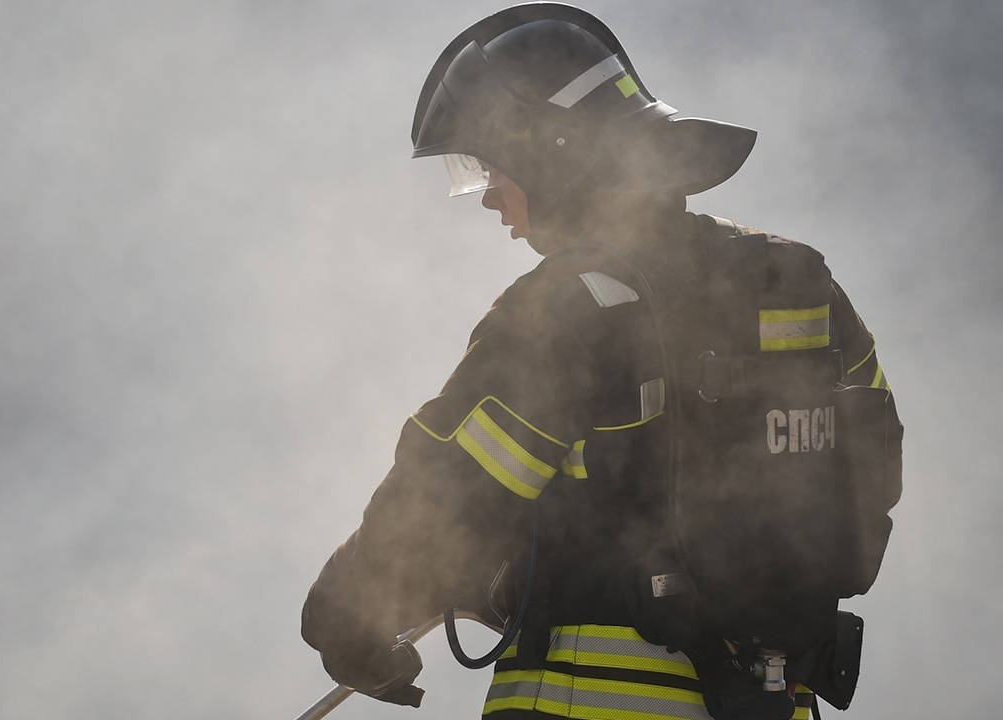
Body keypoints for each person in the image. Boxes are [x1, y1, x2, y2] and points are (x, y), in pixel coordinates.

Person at [301, 5, 898, 720]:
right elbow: (873, 466)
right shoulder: (799, 285)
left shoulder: (570, 306)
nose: (489, 194)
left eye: (496, 166)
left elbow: (445, 503)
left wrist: (343, 613)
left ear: (555, 153)